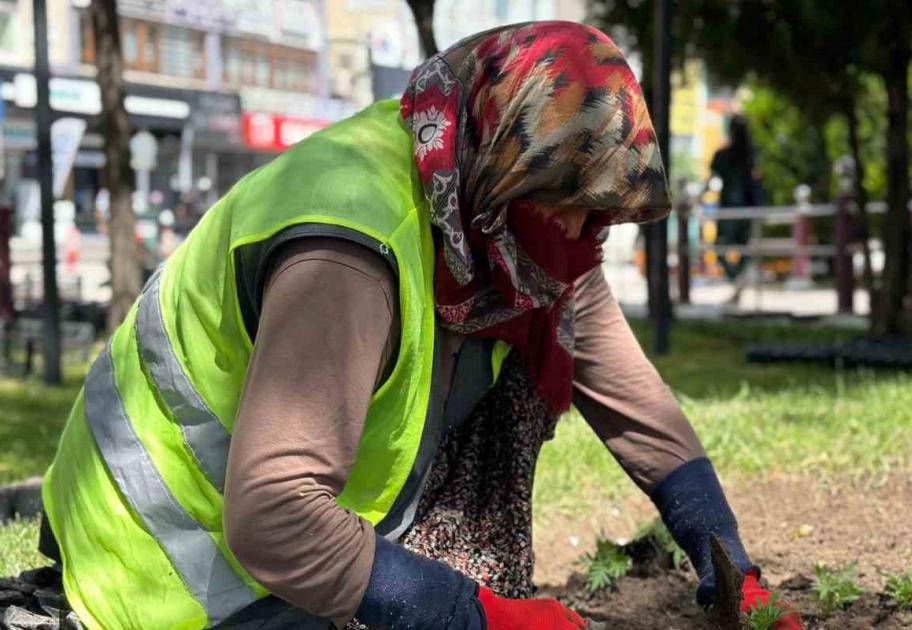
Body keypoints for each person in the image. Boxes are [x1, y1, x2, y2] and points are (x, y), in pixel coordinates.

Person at [38, 22, 802, 630]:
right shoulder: (349, 244)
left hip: (274, 549)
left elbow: (638, 405)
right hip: (162, 572)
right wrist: (472, 617)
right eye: (566, 199)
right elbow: (273, 517)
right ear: (507, 161)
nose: (580, 229)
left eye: (598, 210)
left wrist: (724, 556)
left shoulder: (499, 215)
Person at [709, 114, 766, 304]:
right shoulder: (753, 156)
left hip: (729, 209)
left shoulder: (723, 155)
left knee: (721, 247)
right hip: (748, 209)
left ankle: (736, 279)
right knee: (745, 249)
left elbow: (713, 176)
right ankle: (738, 280)